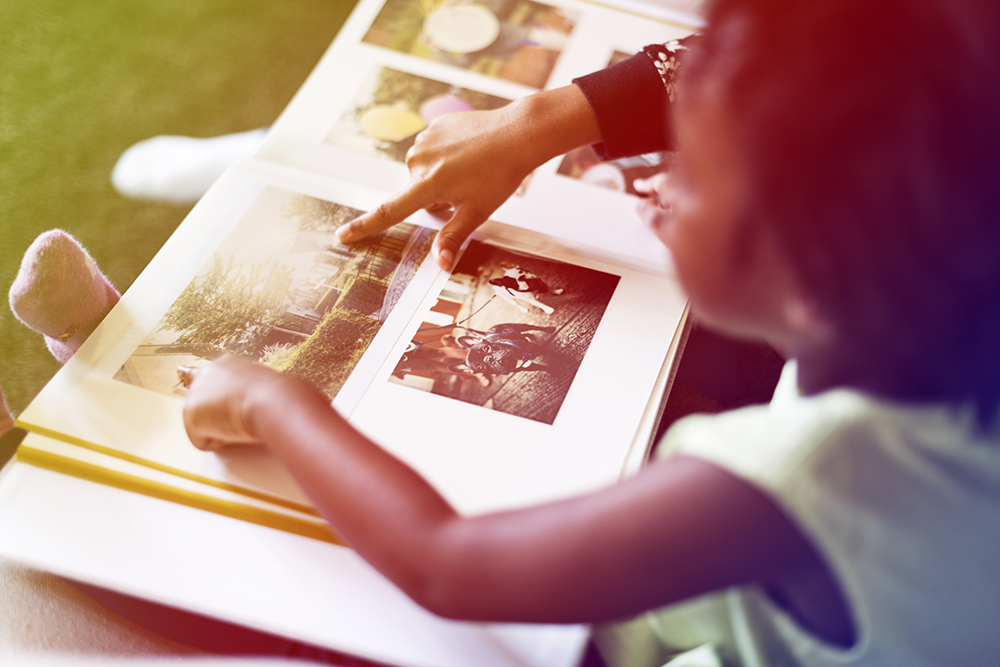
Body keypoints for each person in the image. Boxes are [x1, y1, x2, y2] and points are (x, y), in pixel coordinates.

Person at [13, 1, 1000, 664]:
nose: (654, 181)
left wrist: (279, 400)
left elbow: (448, 564)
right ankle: (106, 367)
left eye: (691, 173)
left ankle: (68, 428)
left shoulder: (803, 479)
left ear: (817, 276)